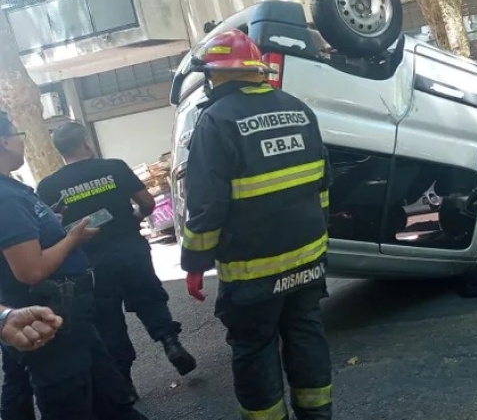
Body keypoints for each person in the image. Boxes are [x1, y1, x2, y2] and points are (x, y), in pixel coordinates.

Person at [180, 29, 333, 420]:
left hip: (254, 270)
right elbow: (323, 188)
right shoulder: (301, 110)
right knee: (306, 335)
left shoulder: (215, 122)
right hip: (309, 258)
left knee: (254, 348)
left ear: (217, 75)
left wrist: (194, 264)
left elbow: (206, 207)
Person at [0, 110, 148, 420]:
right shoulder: (6, 198)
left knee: (112, 398)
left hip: (70, 319)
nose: (21, 142)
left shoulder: (13, 190)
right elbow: (30, 270)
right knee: (72, 405)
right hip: (50, 321)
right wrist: (73, 237)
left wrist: (49, 225)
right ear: (4, 143)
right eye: (19, 135)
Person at [36, 121, 197, 400]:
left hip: (90, 261)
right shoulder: (114, 167)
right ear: (86, 141)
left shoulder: (49, 186)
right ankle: (170, 342)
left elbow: (48, 229)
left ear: (59, 150)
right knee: (149, 299)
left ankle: (125, 382)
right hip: (130, 249)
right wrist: (135, 218)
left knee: (107, 320)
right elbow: (147, 202)